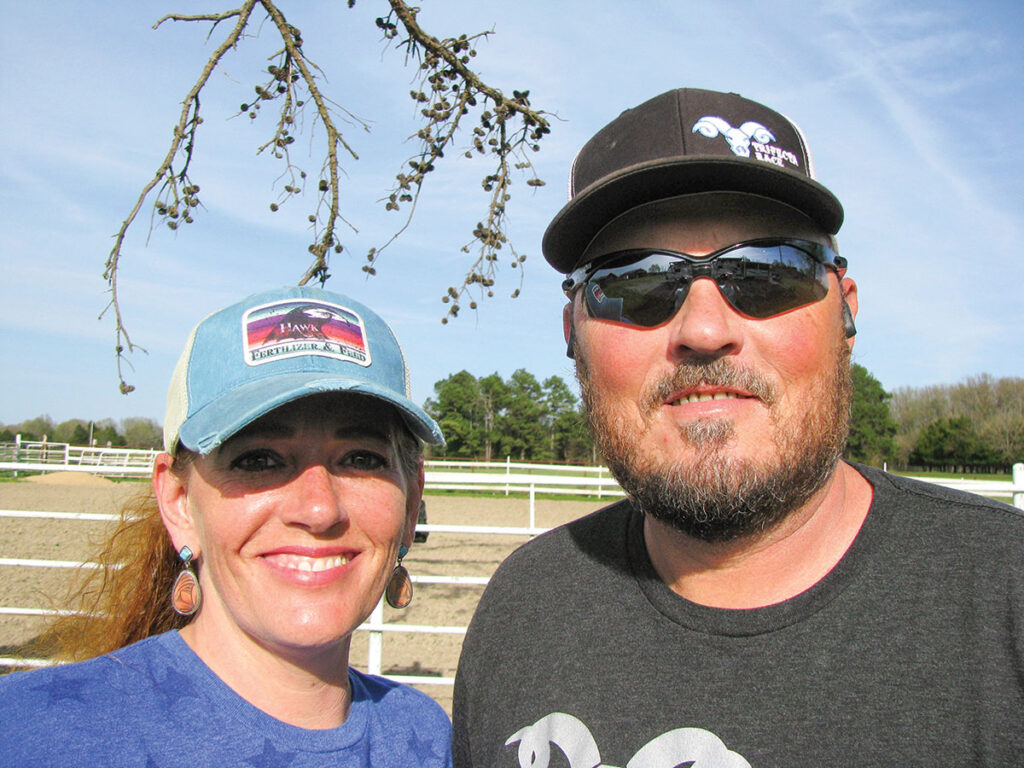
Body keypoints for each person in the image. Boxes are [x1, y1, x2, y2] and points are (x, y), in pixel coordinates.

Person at [452, 88, 1024, 766]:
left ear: (845, 313)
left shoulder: (1004, 601)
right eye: (636, 282)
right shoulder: (525, 609)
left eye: (767, 272)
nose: (703, 330)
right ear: (572, 336)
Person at [0, 286, 453, 767]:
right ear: (177, 502)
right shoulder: (27, 734)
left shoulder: (425, 739)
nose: (319, 509)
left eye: (361, 459)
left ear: (411, 505)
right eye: (259, 459)